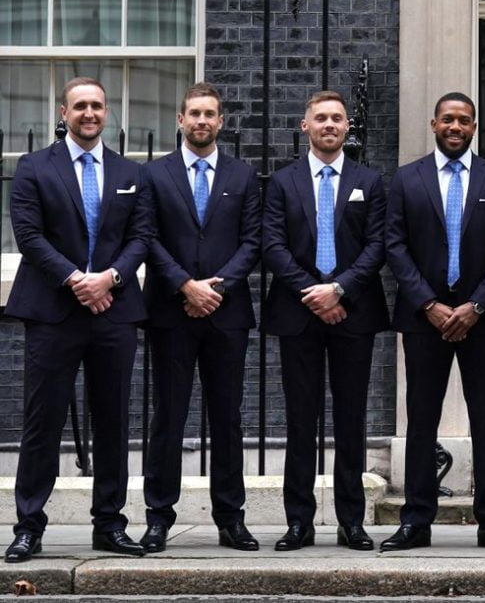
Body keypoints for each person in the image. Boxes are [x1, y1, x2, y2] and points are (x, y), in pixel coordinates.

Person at [5, 77, 152, 563]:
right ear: (62, 112)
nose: (89, 113)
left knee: (112, 421)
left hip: (114, 310)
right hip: (53, 311)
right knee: (42, 421)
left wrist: (107, 278)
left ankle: (109, 524)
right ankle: (29, 526)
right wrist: (75, 280)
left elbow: (141, 236)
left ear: (106, 113)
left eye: (97, 106)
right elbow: (29, 235)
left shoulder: (130, 172)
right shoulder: (34, 167)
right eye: (80, 106)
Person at [382, 92, 485, 553]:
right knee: (421, 421)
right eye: (448, 120)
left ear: (474, 126)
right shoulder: (407, 179)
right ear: (434, 123)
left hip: (484, 319)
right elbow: (394, 246)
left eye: (464, 120)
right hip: (425, 319)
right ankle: (415, 520)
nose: (456, 127)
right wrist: (428, 303)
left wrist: (476, 305)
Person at [262, 90, 388, 552]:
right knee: (300, 420)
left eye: (337, 118)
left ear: (347, 126)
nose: (330, 125)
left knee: (351, 420)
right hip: (298, 314)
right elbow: (271, 244)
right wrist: (312, 292)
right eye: (322, 119)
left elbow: (378, 246)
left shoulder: (369, 182)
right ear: (305, 126)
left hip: (353, 313)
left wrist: (339, 289)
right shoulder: (281, 182)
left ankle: (351, 521)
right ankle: (299, 522)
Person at [139, 83, 262, 553]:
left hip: (227, 314)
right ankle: (158, 517)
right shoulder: (155, 175)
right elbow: (146, 237)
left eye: (210, 114)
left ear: (222, 121)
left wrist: (216, 288)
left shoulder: (242, 175)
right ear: (180, 119)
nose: (202, 121)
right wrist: (184, 285)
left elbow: (252, 242)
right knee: (168, 416)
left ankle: (231, 518)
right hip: (171, 312)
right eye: (194, 113)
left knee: (227, 418)